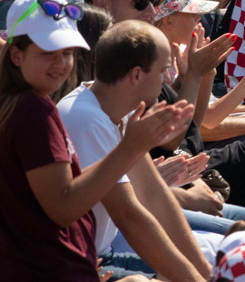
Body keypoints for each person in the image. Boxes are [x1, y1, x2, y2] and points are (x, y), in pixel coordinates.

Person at [0, 0, 191, 280]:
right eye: (47, 53)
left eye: (67, 53)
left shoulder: (26, 105)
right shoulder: (33, 112)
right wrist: (129, 148)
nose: (60, 64)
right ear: (16, 55)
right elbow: (63, 207)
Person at [57, 20, 210, 280]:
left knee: (226, 257)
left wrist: (206, 274)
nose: (165, 82)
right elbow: (129, 216)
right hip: (88, 260)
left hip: (106, 246)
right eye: (163, 71)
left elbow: (153, 195)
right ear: (137, 75)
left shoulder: (119, 109)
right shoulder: (86, 120)